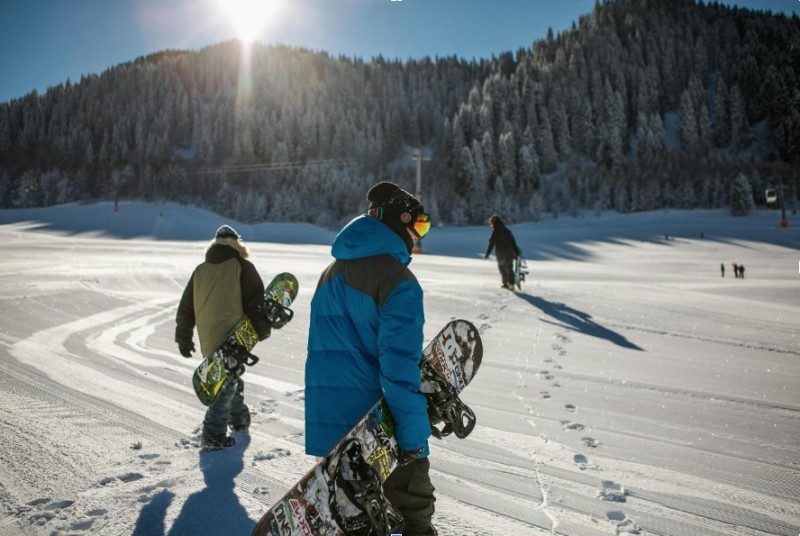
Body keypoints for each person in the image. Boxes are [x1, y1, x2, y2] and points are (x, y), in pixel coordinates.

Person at [305, 181, 436, 535]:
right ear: (399, 221)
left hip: (333, 430)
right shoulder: (399, 281)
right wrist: (412, 440)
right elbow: (398, 369)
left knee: (355, 523)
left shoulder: (329, 273)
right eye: (419, 226)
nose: (419, 236)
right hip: (379, 430)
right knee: (415, 516)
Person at [175, 225, 271, 451]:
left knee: (229, 378)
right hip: (234, 337)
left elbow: (186, 307)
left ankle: (239, 420)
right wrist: (262, 327)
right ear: (237, 244)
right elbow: (255, 304)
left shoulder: (200, 270)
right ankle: (212, 435)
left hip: (208, 337)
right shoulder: (242, 266)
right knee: (224, 385)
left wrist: (184, 336)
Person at [485, 215, 521, 289]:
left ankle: (505, 284)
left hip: (500, 254)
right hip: (510, 254)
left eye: (491, 223)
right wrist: (517, 253)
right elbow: (513, 243)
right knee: (509, 269)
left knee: (502, 269)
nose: (491, 224)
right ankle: (511, 284)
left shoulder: (495, 232)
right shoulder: (507, 231)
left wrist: (487, 254)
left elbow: (491, 244)